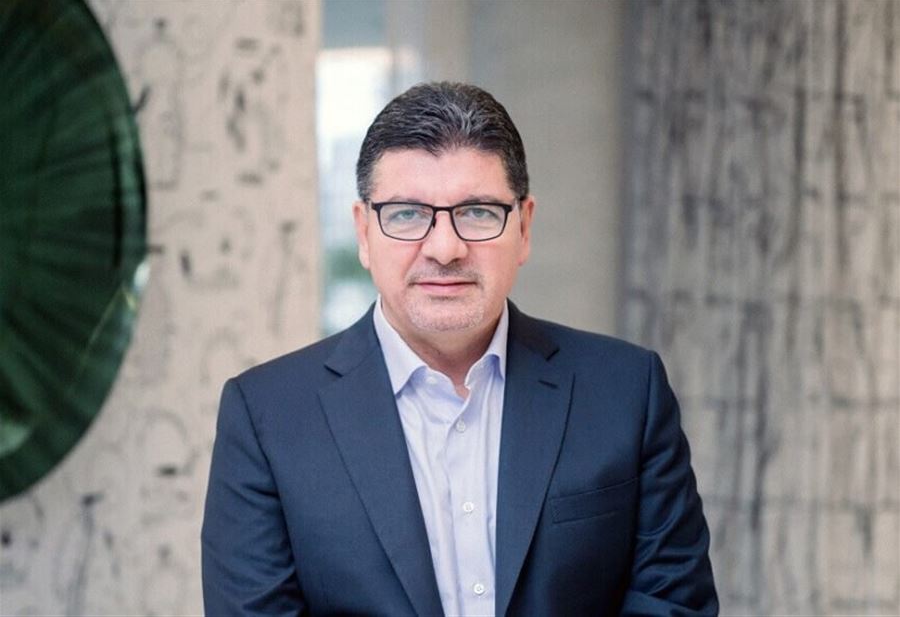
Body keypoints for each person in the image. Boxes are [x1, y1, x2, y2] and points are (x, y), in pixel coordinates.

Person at [202, 81, 718, 616]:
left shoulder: (625, 392)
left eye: (477, 212)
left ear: (524, 227)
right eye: (406, 214)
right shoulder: (268, 416)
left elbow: (673, 603)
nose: (445, 248)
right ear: (363, 232)